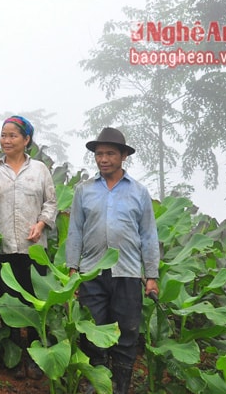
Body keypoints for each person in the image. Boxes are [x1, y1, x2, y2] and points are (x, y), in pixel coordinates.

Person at [65, 127, 160, 394]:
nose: (103, 159)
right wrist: (73, 271)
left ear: (123, 157)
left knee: (127, 334)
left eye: (109, 154)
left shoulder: (139, 192)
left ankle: (120, 387)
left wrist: (151, 276)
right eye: (99, 154)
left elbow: (149, 235)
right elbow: (75, 232)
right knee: (92, 331)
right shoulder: (83, 191)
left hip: (127, 273)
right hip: (92, 272)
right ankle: (96, 384)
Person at [0, 115, 57, 380]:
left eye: (12, 136)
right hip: (4, 249)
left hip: (33, 250)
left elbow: (51, 203)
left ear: (26, 139)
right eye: (3, 135)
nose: (6, 140)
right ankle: (13, 359)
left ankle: (33, 360)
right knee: (9, 306)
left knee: (34, 306)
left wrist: (42, 223)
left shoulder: (40, 170)